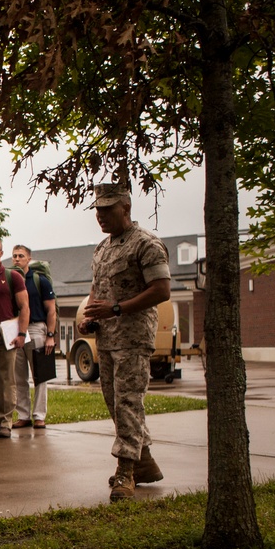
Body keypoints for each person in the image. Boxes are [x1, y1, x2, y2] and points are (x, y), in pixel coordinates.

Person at [79, 183, 170, 501]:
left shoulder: (146, 244)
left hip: (133, 337)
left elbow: (161, 290)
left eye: (107, 209)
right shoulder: (102, 249)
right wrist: (90, 314)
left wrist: (116, 309)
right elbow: (97, 289)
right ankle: (144, 463)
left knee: (128, 403)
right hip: (107, 337)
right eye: (97, 210)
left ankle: (126, 472)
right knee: (116, 405)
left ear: (125, 209)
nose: (100, 216)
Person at [0, 237, 29, 438]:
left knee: (7, 379)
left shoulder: (12, 276)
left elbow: (25, 306)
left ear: (2, 253)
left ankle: (5, 421)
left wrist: (21, 333)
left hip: (7, 332)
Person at [11, 245, 57, 429]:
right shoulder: (12, 279)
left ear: (29, 259)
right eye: (14, 256)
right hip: (15, 330)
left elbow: (51, 310)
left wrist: (50, 336)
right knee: (18, 377)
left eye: (21, 256)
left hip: (37, 328)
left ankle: (39, 415)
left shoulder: (40, 280)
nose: (17, 259)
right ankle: (23, 415)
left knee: (40, 376)